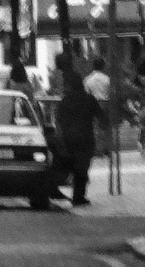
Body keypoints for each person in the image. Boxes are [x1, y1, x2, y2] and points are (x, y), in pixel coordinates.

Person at [56, 73, 103, 206]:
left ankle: (74, 194)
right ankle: (79, 196)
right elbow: (100, 116)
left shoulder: (65, 101)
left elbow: (58, 121)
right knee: (82, 167)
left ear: (69, 86)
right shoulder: (89, 99)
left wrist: (60, 137)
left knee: (72, 166)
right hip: (86, 138)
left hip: (69, 139)